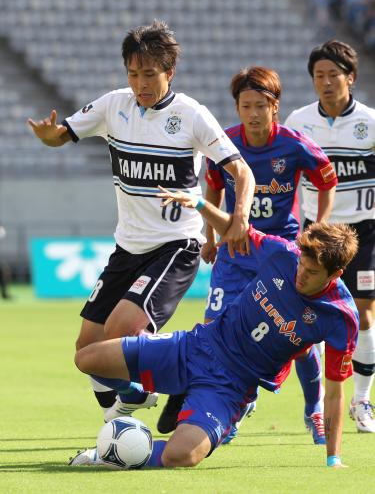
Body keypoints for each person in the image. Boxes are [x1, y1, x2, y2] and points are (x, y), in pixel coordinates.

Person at [27, 20, 255, 420]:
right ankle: (133, 401)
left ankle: (179, 377)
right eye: (133, 74)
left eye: (149, 74)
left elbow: (242, 172)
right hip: (127, 248)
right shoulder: (114, 105)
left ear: (169, 72)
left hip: (175, 246)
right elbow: (61, 134)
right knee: (87, 351)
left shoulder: (190, 115)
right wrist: (48, 136)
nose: (140, 84)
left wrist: (239, 216)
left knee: (118, 336)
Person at [70, 187, 359, 469]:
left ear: (336, 274)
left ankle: (109, 454)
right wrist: (198, 204)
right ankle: (138, 394)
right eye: (301, 265)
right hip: (197, 345)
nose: (300, 275)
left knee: (180, 456)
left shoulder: (340, 317)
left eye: (311, 273)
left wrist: (333, 457)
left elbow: (335, 392)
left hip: (230, 385)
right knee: (87, 359)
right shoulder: (283, 254)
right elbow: (236, 232)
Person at [157, 66, 338, 444]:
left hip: (285, 253)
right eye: (245, 106)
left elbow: (327, 180)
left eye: (261, 105)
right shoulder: (225, 145)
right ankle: (226, 407)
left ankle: (314, 410)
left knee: (298, 339)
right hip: (236, 249)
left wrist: (316, 229)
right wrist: (209, 237)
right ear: (237, 108)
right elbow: (212, 189)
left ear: (275, 107)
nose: (253, 114)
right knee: (214, 330)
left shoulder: (293, 144)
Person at [285, 40, 375, 433]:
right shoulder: (299, 121)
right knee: (311, 313)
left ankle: (362, 400)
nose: (325, 82)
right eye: (318, 76)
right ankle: (318, 405)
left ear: (350, 78)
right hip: (317, 233)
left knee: (364, 312)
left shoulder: (370, 123)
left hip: (364, 231)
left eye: (333, 75)